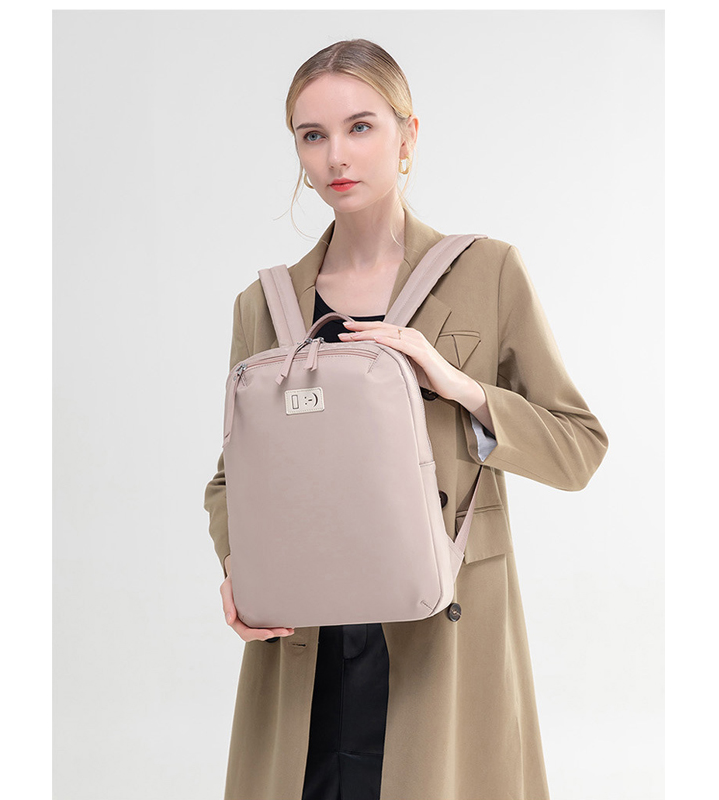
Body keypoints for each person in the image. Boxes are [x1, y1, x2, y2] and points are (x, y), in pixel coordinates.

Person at [204, 38, 608, 800]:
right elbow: (233, 476)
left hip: (440, 636)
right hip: (305, 641)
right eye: (313, 135)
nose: (336, 156)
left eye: (360, 127)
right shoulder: (265, 304)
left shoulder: (487, 271)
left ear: (407, 135)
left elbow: (578, 448)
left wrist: (460, 387)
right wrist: (238, 570)